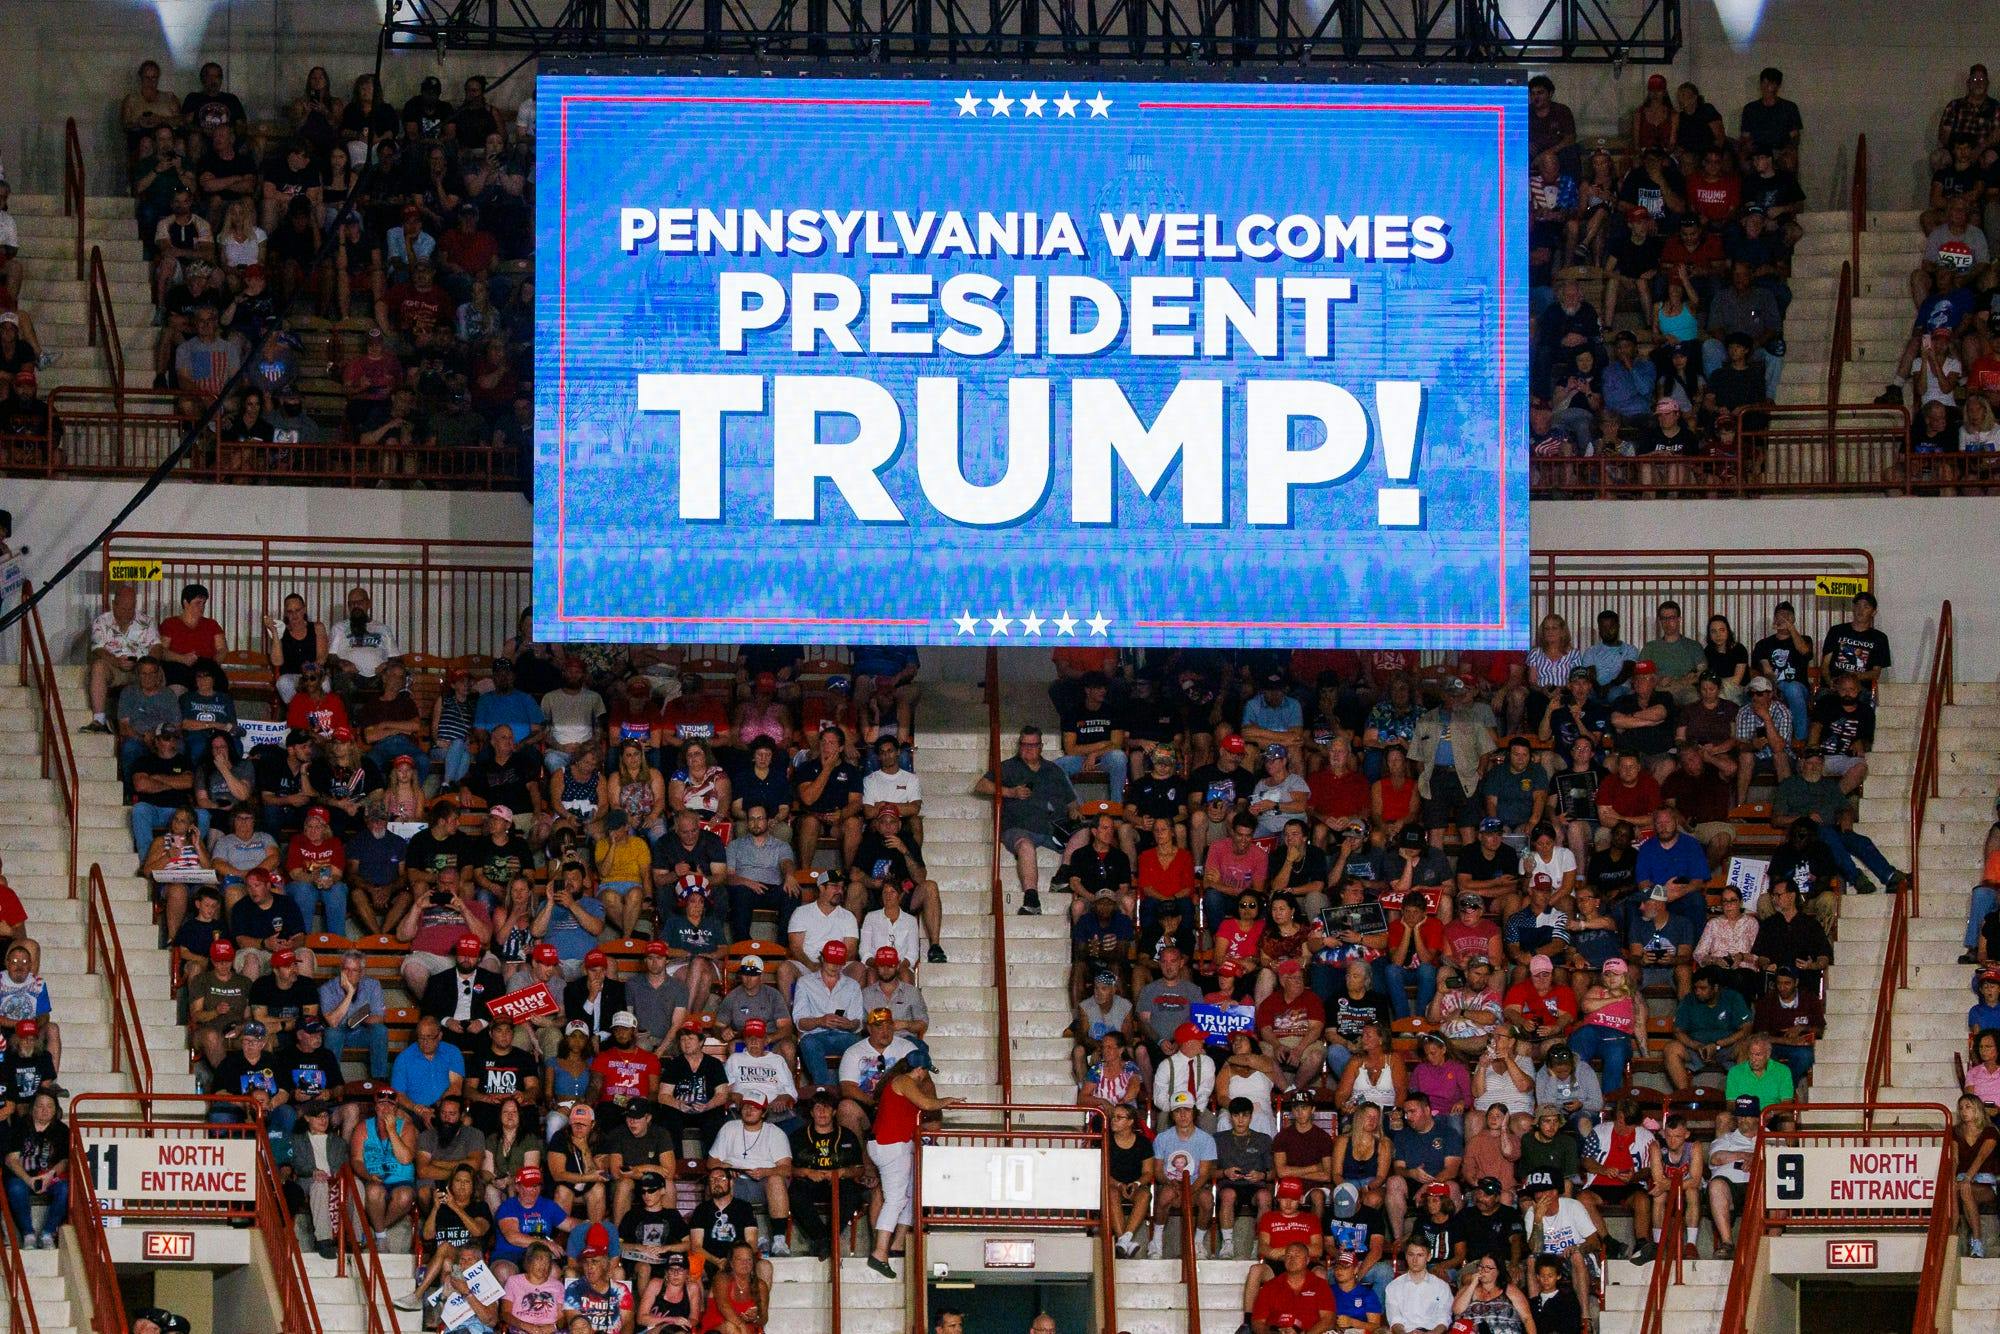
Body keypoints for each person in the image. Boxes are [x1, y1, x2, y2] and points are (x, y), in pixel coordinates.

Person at [864, 1052, 963, 1278]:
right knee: (896, 1199)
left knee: (911, 1194)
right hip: (891, 1145)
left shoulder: (898, 1081)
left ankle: (897, 1244)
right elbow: (926, 1104)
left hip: (894, 1144)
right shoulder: (903, 1081)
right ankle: (879, 1253)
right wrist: (946, 1101)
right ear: (921, 1069)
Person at [976, 726, 1081, 916]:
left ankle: (1062, 875)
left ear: (1041, 746)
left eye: (1033, 745)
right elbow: (981, 785)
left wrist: (1073, 810)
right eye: (1024, 744)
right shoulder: (1008, 767)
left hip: (1051, 828)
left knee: (1086, 831)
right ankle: (1032, 899)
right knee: (1025, 846)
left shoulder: (1053, 769)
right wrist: (1010, 792)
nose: (1028, 749)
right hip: (1019, 827)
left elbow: (1071, 800)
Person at [2, 1089, 67, 1250]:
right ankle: (28, 1234)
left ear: (55, 1110)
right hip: (24, 1177)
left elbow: (65, 1161)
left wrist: (50, 1176)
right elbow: (11, 1160)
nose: (45, 1110)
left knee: (65, 1189)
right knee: (15, 1187)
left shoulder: (61, 1130)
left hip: (49, 1177)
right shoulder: (20, 1126)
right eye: (40, 1106)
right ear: (33, 1108)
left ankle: (48, 1233)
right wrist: (29, 1180)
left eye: (49, 1106)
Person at [1384, 1234, 1455, 1334]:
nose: (1415, 1260)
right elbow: (1395, 1320)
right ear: (1406, 1256)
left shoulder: (1442, 1287)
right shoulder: (1393, 1287)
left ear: (1428, 1257)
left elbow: (1443, 1320)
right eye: (1411, 1254)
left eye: (1420, 1255)